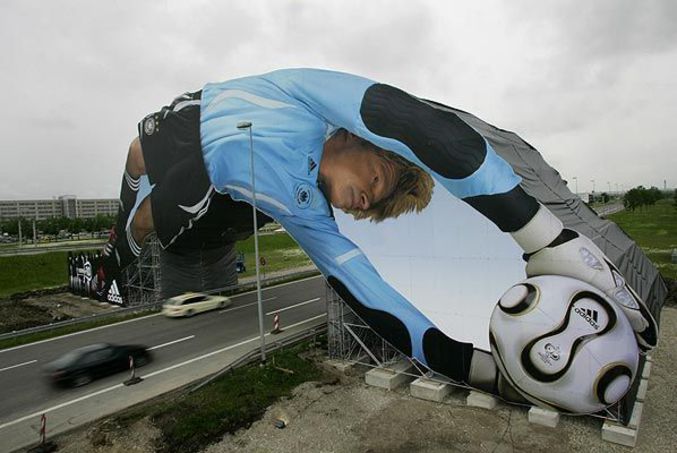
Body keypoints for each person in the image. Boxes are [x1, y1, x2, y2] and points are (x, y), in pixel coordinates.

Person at [95, 68, 657, 396]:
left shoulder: (311, 213)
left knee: (150, 222)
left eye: (376, 204)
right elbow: (412, 121)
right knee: (139, 152)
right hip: (206, 115)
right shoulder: (310, 99)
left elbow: (373, 296)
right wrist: (543, 236)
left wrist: (477, 368)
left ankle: (121, 250)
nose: (369, 199)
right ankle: (119, 235)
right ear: (362, 141)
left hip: (221, 189)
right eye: (381, 178)